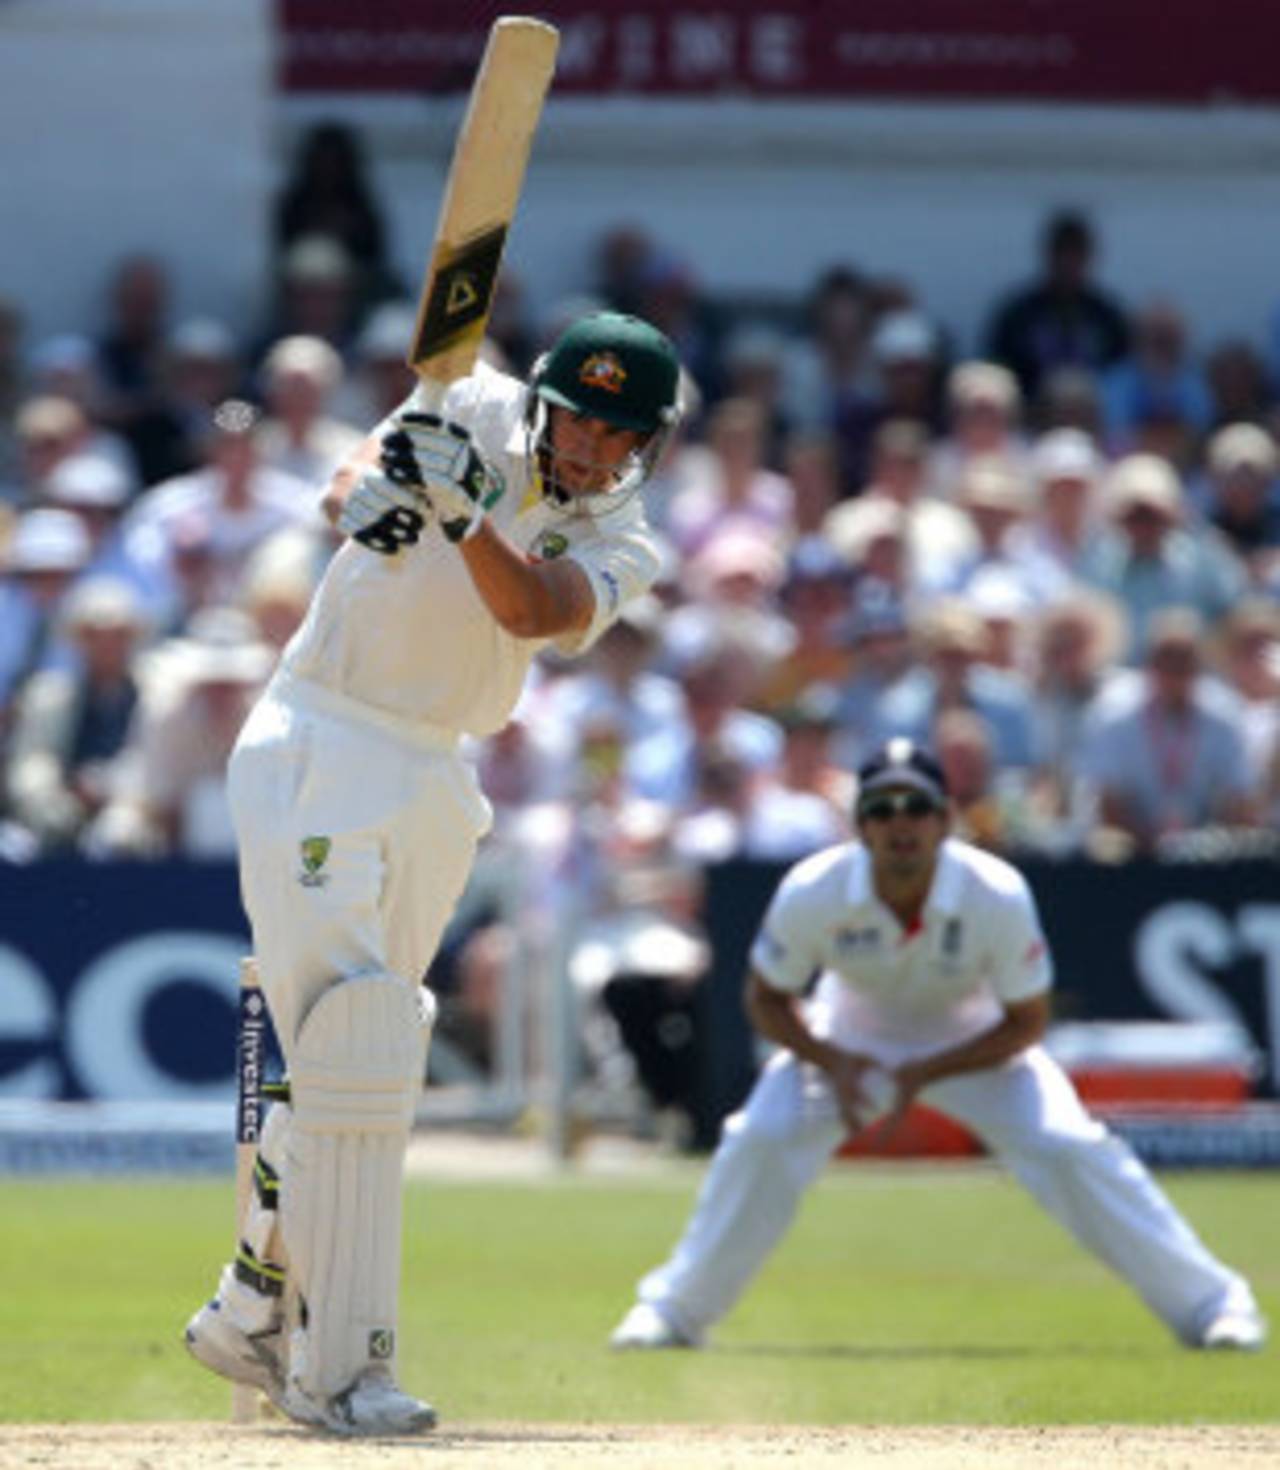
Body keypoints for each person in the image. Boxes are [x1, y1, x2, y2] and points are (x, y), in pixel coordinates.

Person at [182, 310, 682, 1434]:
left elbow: (537, 611)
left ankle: (252, 1303)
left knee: (366, 1056)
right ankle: (335, 1374)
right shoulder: (471, 395)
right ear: (548, 401)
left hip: (437, 772)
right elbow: (356, 473)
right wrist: (363, 491)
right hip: (322, 731)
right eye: (583, 423)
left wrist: (459, 516)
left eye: (621, 436)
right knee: (345, 1044)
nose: (595, 451)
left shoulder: (632, 537)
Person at [610, 739, 1266, 1355]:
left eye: (918, 807)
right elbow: (766, 999)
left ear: (946, 819)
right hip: (849, 1039)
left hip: (973, 1042)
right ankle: (672, 1311)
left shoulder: (994, 892)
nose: (902, 823)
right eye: (883, 808)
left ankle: (1214, 1305)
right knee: (762, 1137)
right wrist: (834, 1061)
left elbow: (1025, 1022)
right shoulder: (815, 888)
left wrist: (928, 1072)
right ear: (860, 824)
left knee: (1067, 1146)